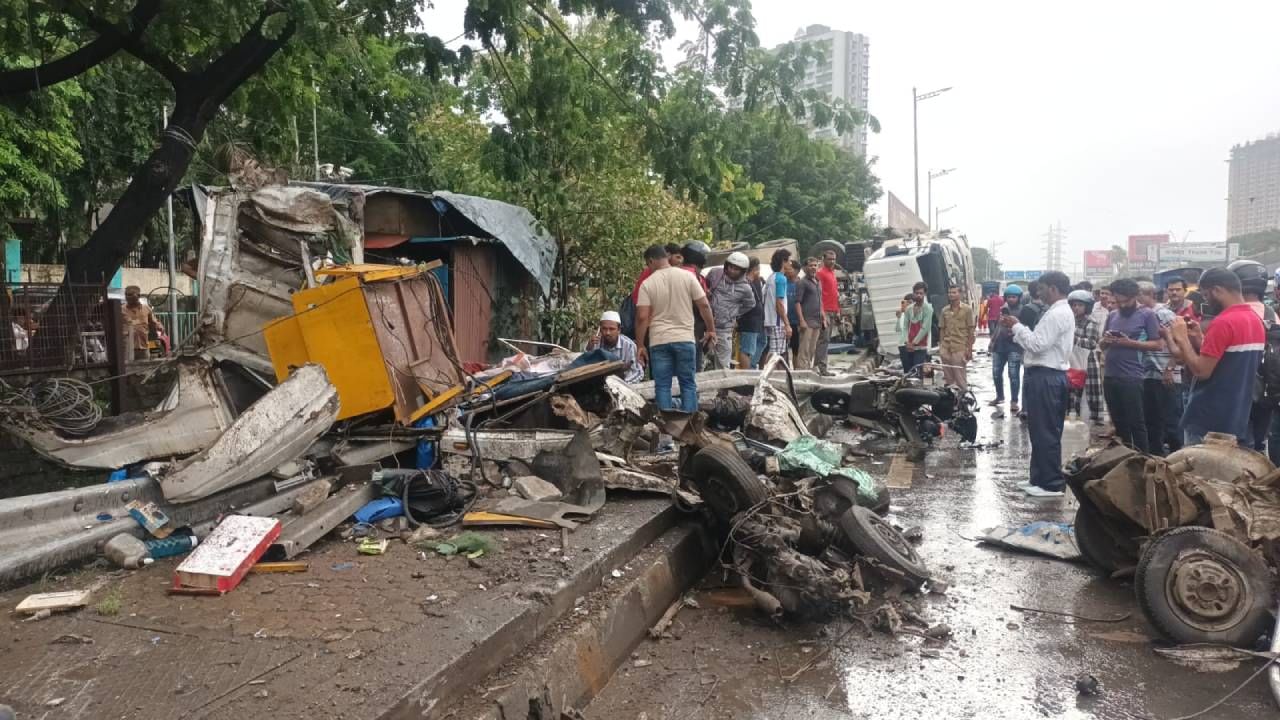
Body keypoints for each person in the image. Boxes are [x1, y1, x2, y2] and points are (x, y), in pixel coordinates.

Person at [1166, 268, 1263, 447]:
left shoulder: (1223, 322)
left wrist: (1181, 338)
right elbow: (1226, 362)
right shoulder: (1254, 319)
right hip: (1237, 415)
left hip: (1209, 419)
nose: (1206, 301)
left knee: (1196, 473)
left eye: (1206, 295)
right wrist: (1197, 338)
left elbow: (1201, 371)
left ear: (1217, 290)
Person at [1000, 270, 1075, 497]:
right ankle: (1038, 478)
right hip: (1042, 375)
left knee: (1046, 432)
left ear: (1052, 288)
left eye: (1042, 289)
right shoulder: (1054, 312)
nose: (1038, 293)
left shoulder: (1057, 313)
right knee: (1038, 430)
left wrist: (1016, 326)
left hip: (1047, 376)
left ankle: (1051, 483)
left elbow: (1037, 344)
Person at [635, 245, 716, 412]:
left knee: (663, 386)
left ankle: (666, 431)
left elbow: (642, 317)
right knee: (688, 384)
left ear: (651, 261)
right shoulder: (688, 276)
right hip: (685, 339)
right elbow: (704, 306)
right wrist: (711, 329)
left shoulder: (647, 284)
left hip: (659, 341)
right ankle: (690, 427)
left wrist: (640, 345)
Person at [1099, 278, 1162, 453]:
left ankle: (1143, 458)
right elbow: (1102, 344)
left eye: (1125, 301)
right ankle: (1126, 457)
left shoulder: (1147, 314)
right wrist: (1106, 341)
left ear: (1135, 297)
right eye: (1118, 301)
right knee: (1119, 422)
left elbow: (1157, 344)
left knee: (1136, 422)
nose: (1122, 305)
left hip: (1132, 376)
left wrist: (1129, 342)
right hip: (1111, 374)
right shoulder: (1112, 315)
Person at [1230, 260, 1277, 452]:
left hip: (1241, 387)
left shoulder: (1238, 314)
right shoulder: (1272, 313)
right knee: (1258, 441)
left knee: (1241, 444)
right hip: (1269, 388)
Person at [1137, 281, 1181, 455]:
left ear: (1150, 295)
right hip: (1149, 374)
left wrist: (1170, 368)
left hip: (1166, 375)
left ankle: (1177, 456)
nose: (1136, 300)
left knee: (1171, 421)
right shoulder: (1143, 314)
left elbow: (1180, 342)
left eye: (1139, 296)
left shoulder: (1163, 314)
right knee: (1152, 421)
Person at [704, 251, 757, 369]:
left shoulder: (745, 288)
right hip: (705, 326)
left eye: (736, 269)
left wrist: (733, 314)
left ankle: (722, 388)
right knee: (702, 362)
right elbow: (704, 286)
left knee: (723, 365)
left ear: (743, 271)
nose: (732, 271)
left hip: (724, 329)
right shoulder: (715, 274)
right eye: (730, 267)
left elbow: (750, 304)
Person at [988, 284, 1025, 413]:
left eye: (1013, 297)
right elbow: (999, 327)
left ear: (1019, 298)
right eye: (1008, 297)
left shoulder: (1023, 311)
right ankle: (999, 396)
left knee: (1013, 374)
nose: (1011, 299)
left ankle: (1014, 401)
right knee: (996, 372)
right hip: (1000, 346)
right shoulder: (1003, 309)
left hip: (1015, 347)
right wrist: (992, 341)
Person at [1066, 290, 1101, 422]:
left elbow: (1091, 343)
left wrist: (1073, 338)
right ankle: (1073, 416)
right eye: (1074, 305)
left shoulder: (1091, 322)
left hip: (1087, 362)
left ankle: (1092, 419)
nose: (1076, 308)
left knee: (1088, 391)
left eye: (1080, 305)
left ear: (1087, 307)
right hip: (1073, 360)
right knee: (1073, 389)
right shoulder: (1070, 320)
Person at [586, 310, 644, 383]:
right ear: (600, 329)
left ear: (619, 330)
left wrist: (622, 385)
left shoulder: (629, 345)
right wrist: (589, 350)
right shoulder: (594, 343)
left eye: (611, 329)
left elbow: (638, 372)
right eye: (604, 328)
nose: (607, 333)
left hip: (624, 386)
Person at [938, 286, 974, 389]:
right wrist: (941, 347)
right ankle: (951, 399)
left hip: (960, 346)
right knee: (948, 376)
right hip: (946, 347)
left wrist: (969, 349)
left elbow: (971, 330)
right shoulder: (944, 310)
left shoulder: (967, 310)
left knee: (960, 376)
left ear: (960, 294)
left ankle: (963, 398)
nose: (951, 294)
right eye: (949, 292)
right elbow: (942, 329)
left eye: (954, 292)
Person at [762, 249, 793, 365]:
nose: (791, 264)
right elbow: (779, 303)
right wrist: (787, 324)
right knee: (776, 353)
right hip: (777, 321)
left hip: (769, 319)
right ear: (783, 262)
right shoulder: (781, 279)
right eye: (789, 261)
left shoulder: (771, 277)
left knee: (773, 351)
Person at [793, 257, 825, 369]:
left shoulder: (817, 282)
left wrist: (823, 317)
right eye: (811, 265)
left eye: (815, 265)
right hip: (807, 321)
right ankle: (801, 372)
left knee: (812, 349)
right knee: (804, 349)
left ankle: (808, 370)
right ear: (805, 268)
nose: (813, 268)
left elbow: (820, 300)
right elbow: (797, 302)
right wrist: (801, 320)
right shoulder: (802, 283)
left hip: (817, 321)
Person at [814, 250, 841, 375]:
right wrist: (822, 312)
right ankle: (821, 367)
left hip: (833, 310)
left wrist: (838, 311)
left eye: (834, 259)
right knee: (823, 340)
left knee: (826, 340)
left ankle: (820, 366)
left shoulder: (832, 273)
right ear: (823, 260)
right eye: (830, 259)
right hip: (824, 311)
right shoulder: (820, 273)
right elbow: (818, 295)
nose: (832, 261)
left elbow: (835, 294)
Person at [737, 257, 766, 369]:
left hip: (757, 319)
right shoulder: (745, 282)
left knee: (761, 342)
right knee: (747, 349)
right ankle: (747, 374)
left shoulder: (755, 281)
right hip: (749, 320)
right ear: (754, 268)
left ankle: (751, 366)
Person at [900, 281, 932, 374]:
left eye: (921, 293)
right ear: (913, 293)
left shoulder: (928, 309)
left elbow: (925, 328)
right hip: (907, 346)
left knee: (917, 371)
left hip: (920, 346)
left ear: (925, 294)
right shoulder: (909, 309)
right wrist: (907, 341)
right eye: (916, 293)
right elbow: (905, 327)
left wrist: (913, 343)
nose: (918, 295)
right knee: (907, 372)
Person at [122, 285, 160, 362]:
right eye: (126, 294)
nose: (127, 297)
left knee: (144, 369)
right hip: (127, 348)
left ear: (138, 295)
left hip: (143, 347)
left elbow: (154, 323)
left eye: (130, 294)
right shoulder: (121, 310)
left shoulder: (146, 309)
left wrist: (159, 327)